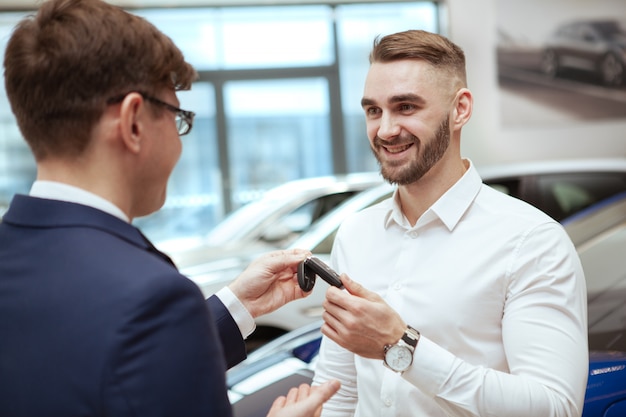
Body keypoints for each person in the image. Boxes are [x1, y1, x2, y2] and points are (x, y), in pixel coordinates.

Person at [0, 0, 338, 416]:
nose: (180, 142)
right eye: (178, 117)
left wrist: (238, 306)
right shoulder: (152, 297)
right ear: (134, 122)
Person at [312, 29, 588, 416]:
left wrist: (401, 346)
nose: (385, 129)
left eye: (405, 107)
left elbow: (555, 408)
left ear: (460, 109)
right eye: (373, 110)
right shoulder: (355, 234)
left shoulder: (531, 241)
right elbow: (338, 394)